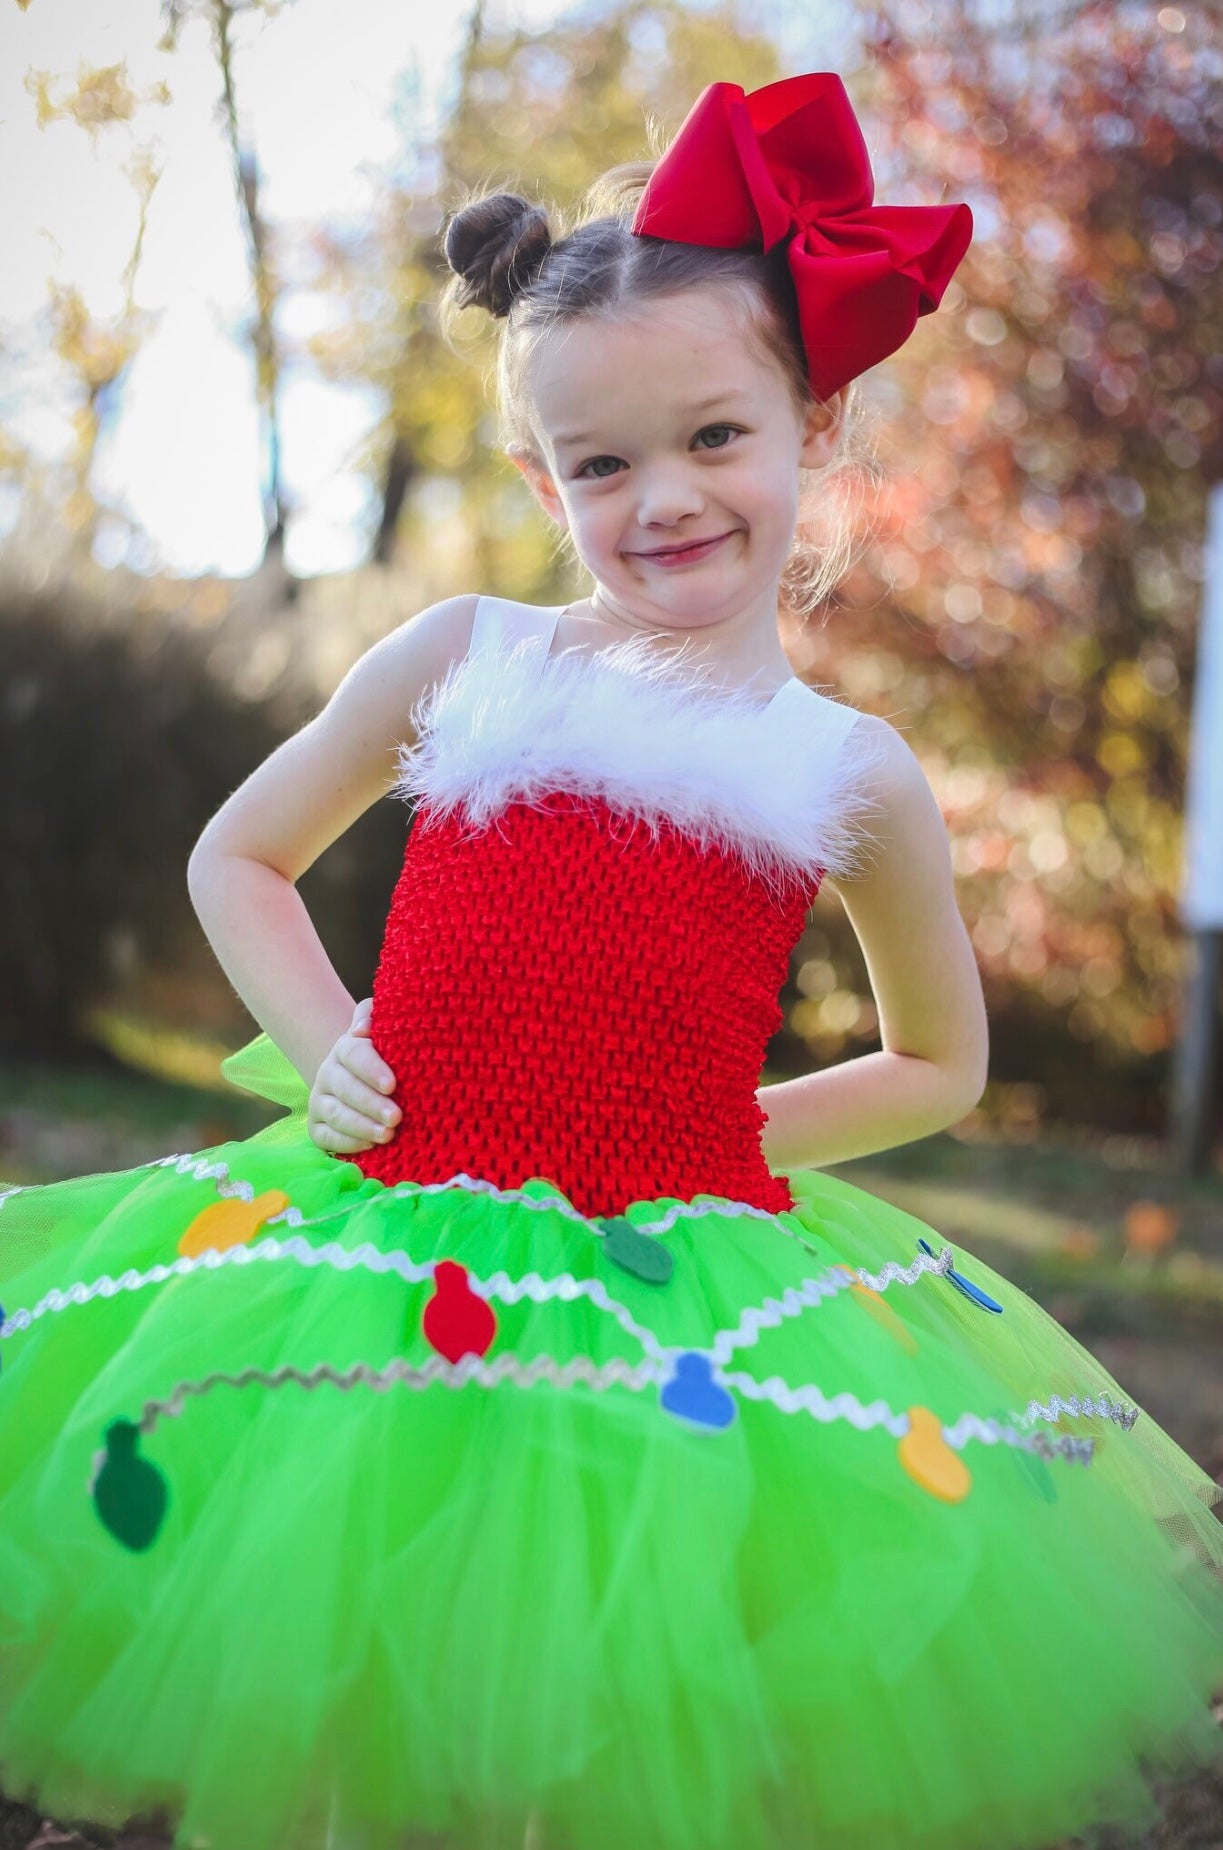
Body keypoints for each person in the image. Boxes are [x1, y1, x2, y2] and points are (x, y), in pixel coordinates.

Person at [1, 69, 1221, 1850]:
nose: (665, 496)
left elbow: (939, 1062)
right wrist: (325, 1033)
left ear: (814, 422)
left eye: (717, 436)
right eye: (603, 461)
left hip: (674, 1283)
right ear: (538, 473)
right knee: (346, 1629)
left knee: (623, 1682)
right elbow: (238, 853)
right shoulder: (467, 654)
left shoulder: (849, 772)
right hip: (383, 1242)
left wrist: (730, 1141)